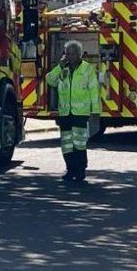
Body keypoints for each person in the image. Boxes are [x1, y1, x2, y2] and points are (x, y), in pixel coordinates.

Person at [46, 40, 101, 182]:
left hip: (80, 113)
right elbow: (50, 80)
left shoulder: (87, 69)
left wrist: (95, 112)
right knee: (66, 144)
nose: (68, 56)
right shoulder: (62, 69)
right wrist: (59, 66)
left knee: (79, 143)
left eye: (71, 54)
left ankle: (80, 170)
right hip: (65, 112)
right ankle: (70, 170)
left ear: (79, 54)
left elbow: (94, 91)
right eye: (66, 54)